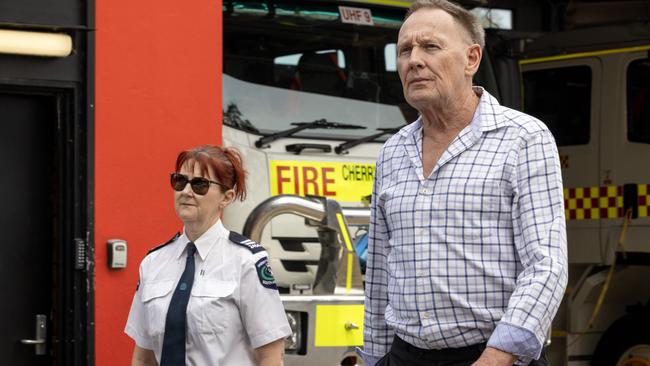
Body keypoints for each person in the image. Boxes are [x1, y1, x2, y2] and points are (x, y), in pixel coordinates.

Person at [361, 1, 568, 365]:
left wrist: (498, 355)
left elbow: (546, 265)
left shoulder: (523, 138)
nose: (414, 61)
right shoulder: (392, 152)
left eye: (430, 46)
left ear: (471, 59)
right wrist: (375, 358)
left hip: (494, 356)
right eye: (405, 50)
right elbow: (379, 273)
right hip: (405, 356)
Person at [125, 145, 291, 366]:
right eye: (179, 181)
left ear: (227, 197)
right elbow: (143, 357)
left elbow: (271, 355)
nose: (186, 191)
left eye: (200, 184)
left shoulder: (246, 261)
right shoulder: (153, 263)